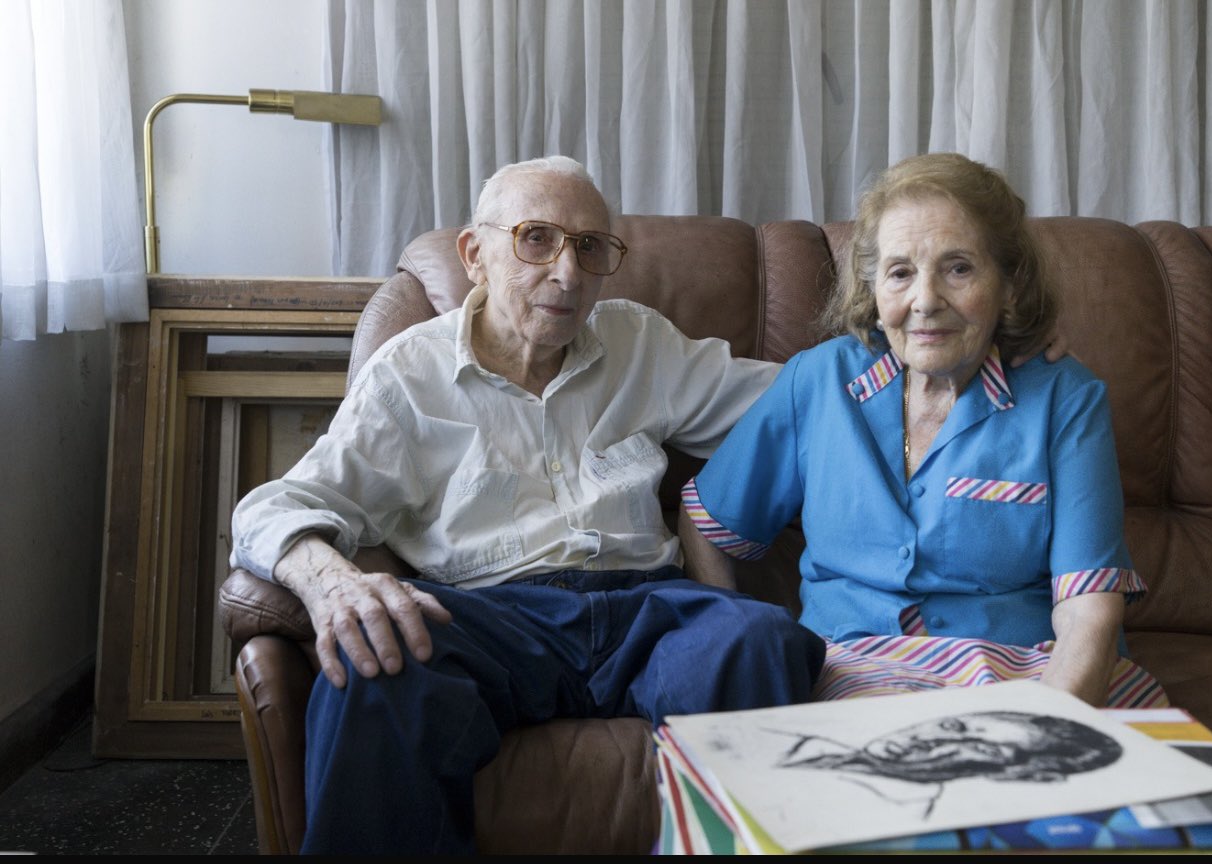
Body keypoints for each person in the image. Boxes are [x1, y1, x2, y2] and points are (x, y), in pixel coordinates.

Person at [228, 155, 826, 854]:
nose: (568, 273)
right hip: (487, 619)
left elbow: (798, 404)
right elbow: (277, 505)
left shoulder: (643, 344)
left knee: (760, 642)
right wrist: (331, 582)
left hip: (648, 614)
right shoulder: (409, 375)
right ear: (475, 255)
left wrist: (910, 361)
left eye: (590, 248)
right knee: (375, 669)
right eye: (536, 239)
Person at [679, 152, 1168, 710]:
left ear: (1009, 285)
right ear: (873, 289)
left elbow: (1089, 609)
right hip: (847, 673)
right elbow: (707, 522)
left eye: (959, 268)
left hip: (1025, 675)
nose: (926, 300)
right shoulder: (819, 382)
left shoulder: (1065, 397)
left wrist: (1049, 728)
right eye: (901, 272)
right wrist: (739, 649)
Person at [776, 711, 1123, 819]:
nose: (929, 742)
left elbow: (1089, 616)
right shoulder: (781, 734)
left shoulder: (897, 811)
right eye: (952, 727)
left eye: (981, 749)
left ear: (1022, 775)